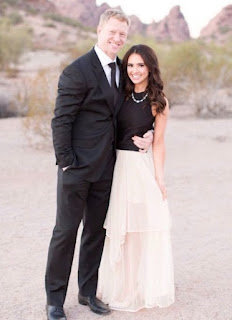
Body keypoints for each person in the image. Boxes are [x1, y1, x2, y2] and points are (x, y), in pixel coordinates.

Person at [45, 9, 153, 320]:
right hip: (76, 167)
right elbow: (61, 120)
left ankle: (87, 292)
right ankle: (54, 300)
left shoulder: (124, 70)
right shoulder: (76, 71)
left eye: (123, 34)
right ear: (99, 30)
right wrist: (66, 162)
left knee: (96, 231)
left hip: (108, 167)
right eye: (113, 32)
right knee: (65, 232)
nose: (118, 39)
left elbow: (138, 110)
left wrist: (150, 132)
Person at [97, 44, 175, 312]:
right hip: (115, 167)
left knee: (140, 230)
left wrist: (159, 179)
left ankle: (137, 288)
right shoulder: (120, 94)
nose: (134, 70)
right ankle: (122, 286)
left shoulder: (159, 102)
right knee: (121, 231)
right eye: (130, 65)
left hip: (138, 169)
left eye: (140, 65)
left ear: (150, 67)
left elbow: (160, 144)